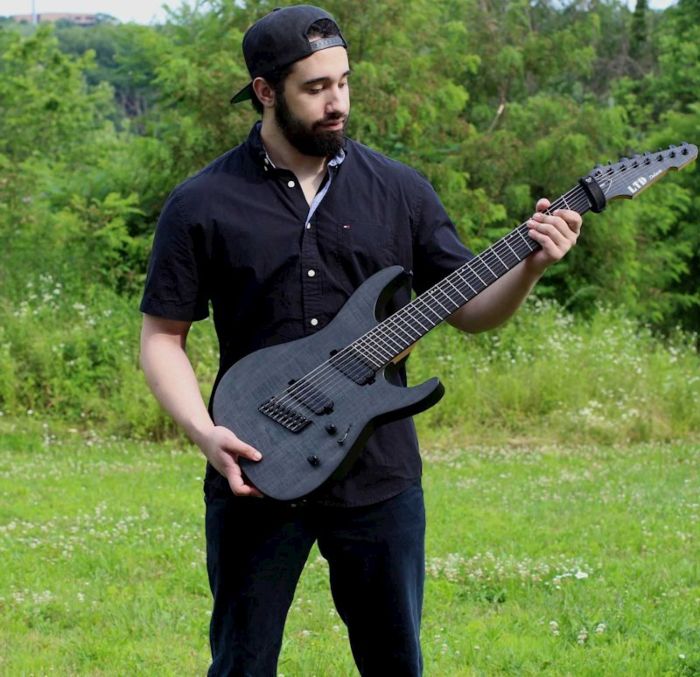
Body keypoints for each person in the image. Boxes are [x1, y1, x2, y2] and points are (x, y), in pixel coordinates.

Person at [139, 5, 582, 675]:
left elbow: (469, 311)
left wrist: (531, 266)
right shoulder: (202, 201)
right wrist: (205, 433)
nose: (338, 102)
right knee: (241, 664)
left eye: (344, 82)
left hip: (379, 474)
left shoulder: (400, 190)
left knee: (395, 663)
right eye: (316, 87)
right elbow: (162, 337)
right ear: (265, 91)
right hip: (252, 466)